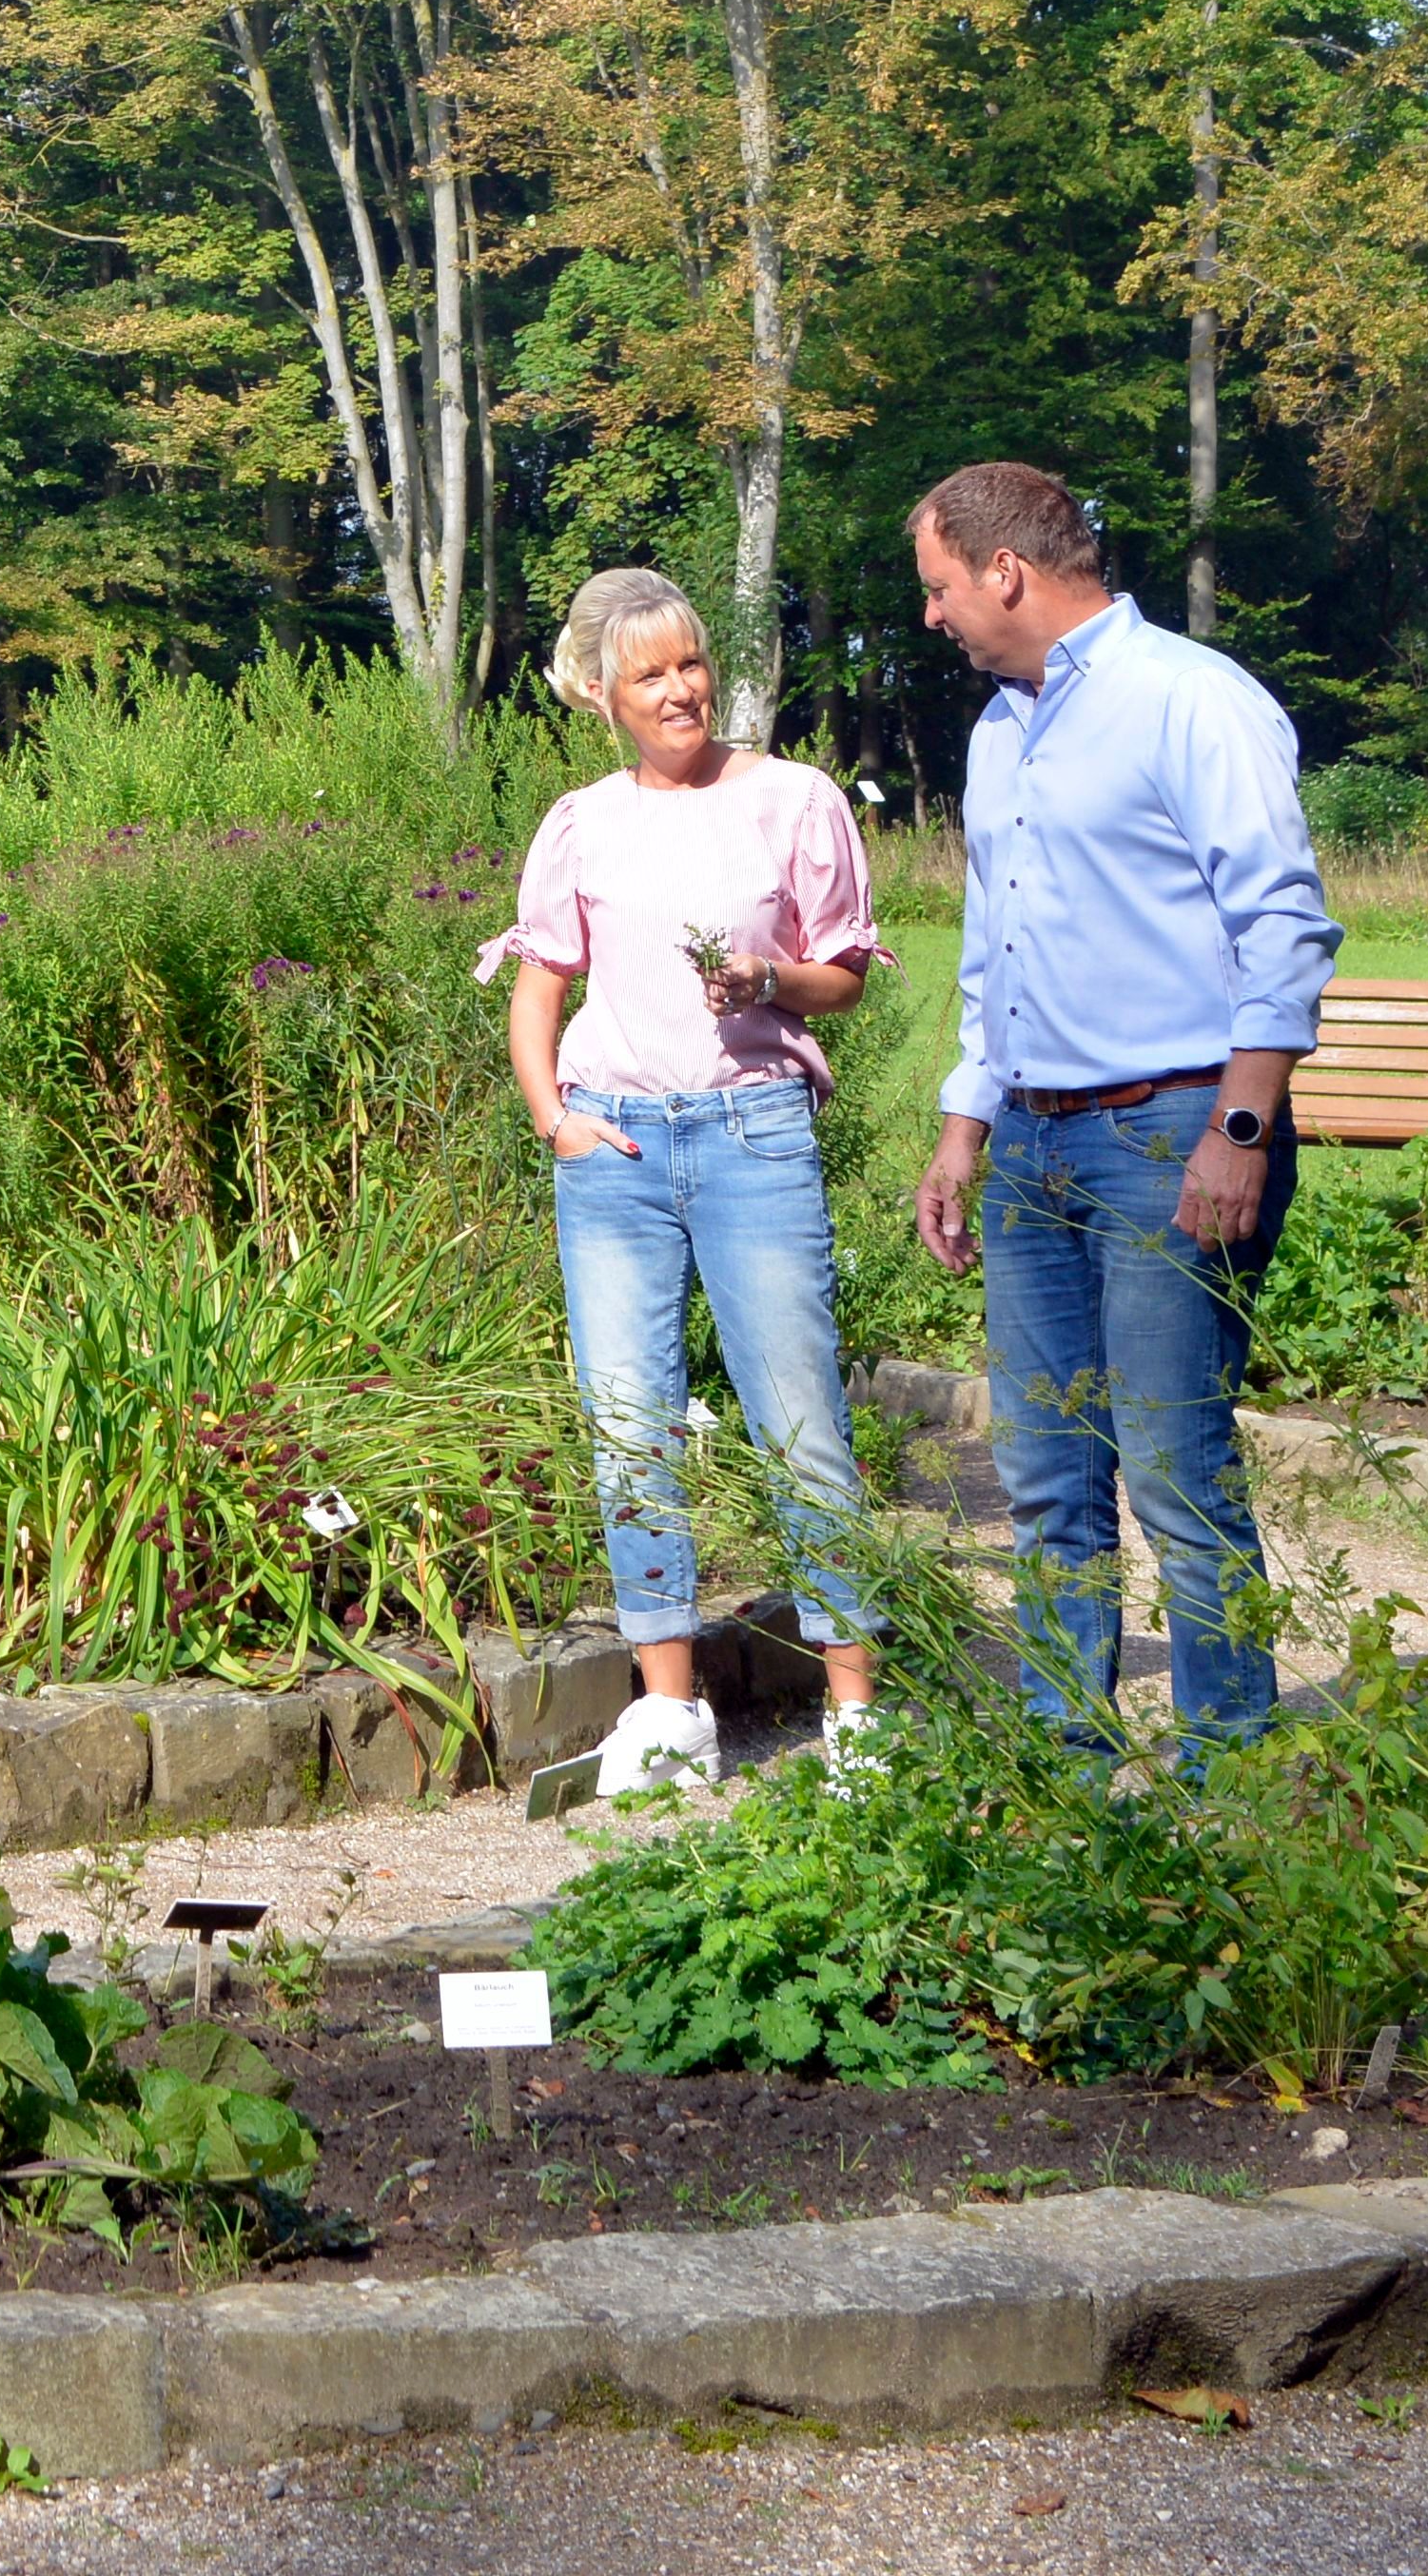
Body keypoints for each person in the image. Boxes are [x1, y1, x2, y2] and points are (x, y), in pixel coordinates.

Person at [902, 457, 1336, 1750]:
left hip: (1175, 1134)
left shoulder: (1192, 703)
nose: (932, 618)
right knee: (1044, 1475)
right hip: (1032, 1140)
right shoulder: (999, 731)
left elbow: (1285, 929)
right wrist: (963, 1127)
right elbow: (997, 954)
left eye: (937, 589)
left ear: (1005, 572)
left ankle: (1230, 1777)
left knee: (1176, 1473)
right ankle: (1063, 1761)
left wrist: (1241, 1130)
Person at [496, 563, 889, 1794]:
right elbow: (538, 991)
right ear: (606, 693)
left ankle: (859, 1713)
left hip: (751, 1139)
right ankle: (672, 1714)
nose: (681, 689)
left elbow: (848, 973)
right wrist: (554, 1117)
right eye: (651, 673)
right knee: (630, 1430)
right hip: (612, 1149)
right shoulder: (581, 824)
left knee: (799, 1420)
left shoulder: (794, 802)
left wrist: (770, 979)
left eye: (691, 663)